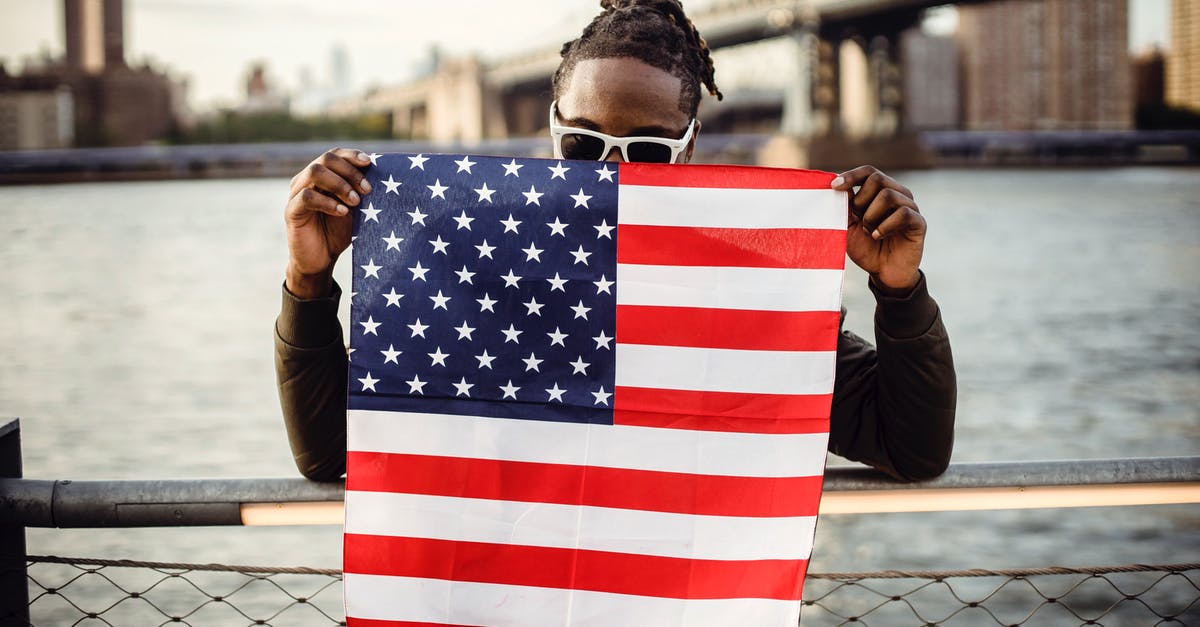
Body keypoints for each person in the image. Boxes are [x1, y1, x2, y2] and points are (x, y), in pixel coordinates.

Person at [275, 0, 956, 483]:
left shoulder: (749, 293)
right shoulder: (473, 275)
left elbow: (912, 448)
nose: (610, 173)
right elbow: (327, 451)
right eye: (584, 143)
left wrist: (899, 290)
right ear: (551, 129)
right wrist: (308, 282)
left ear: (689, 147)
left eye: (646, 152)